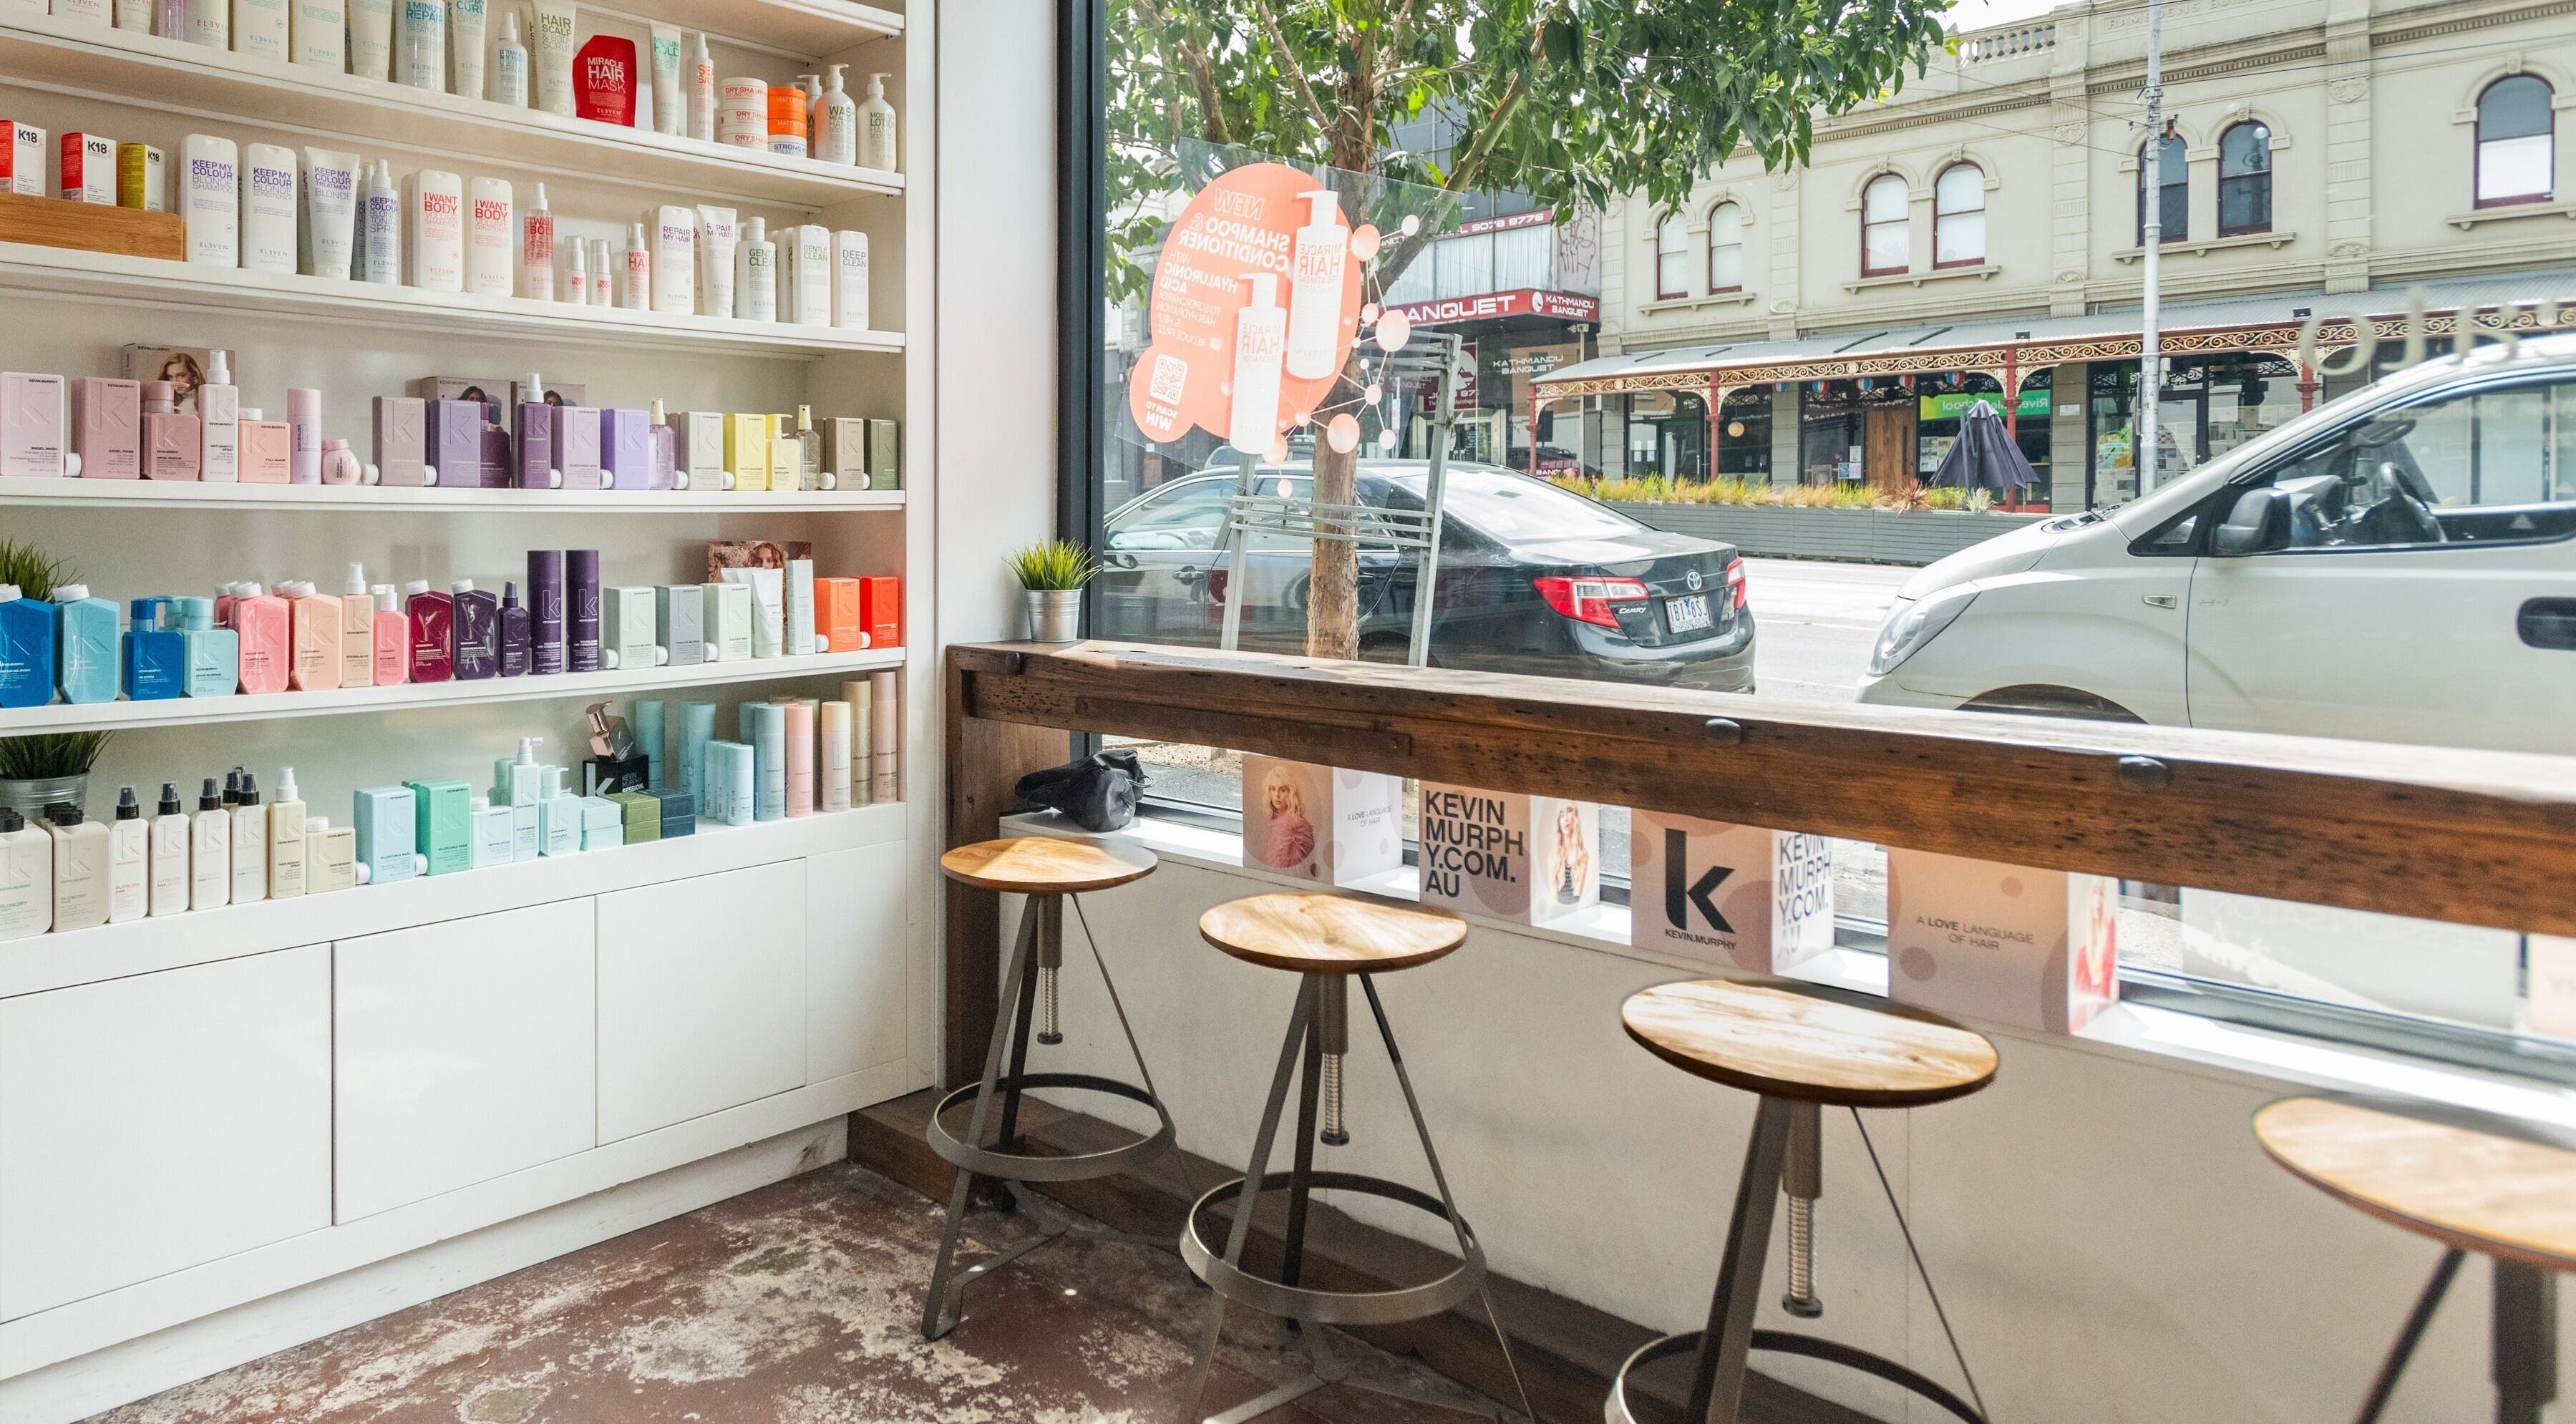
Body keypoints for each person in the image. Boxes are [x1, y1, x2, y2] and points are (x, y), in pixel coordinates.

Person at [1253, 765, 1315, 872]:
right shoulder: (1273, 822)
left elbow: (1288, 872)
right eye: (1273, 789)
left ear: (1291, 793)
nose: (1277, 795)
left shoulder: (1295, 830)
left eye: (1282, 790)